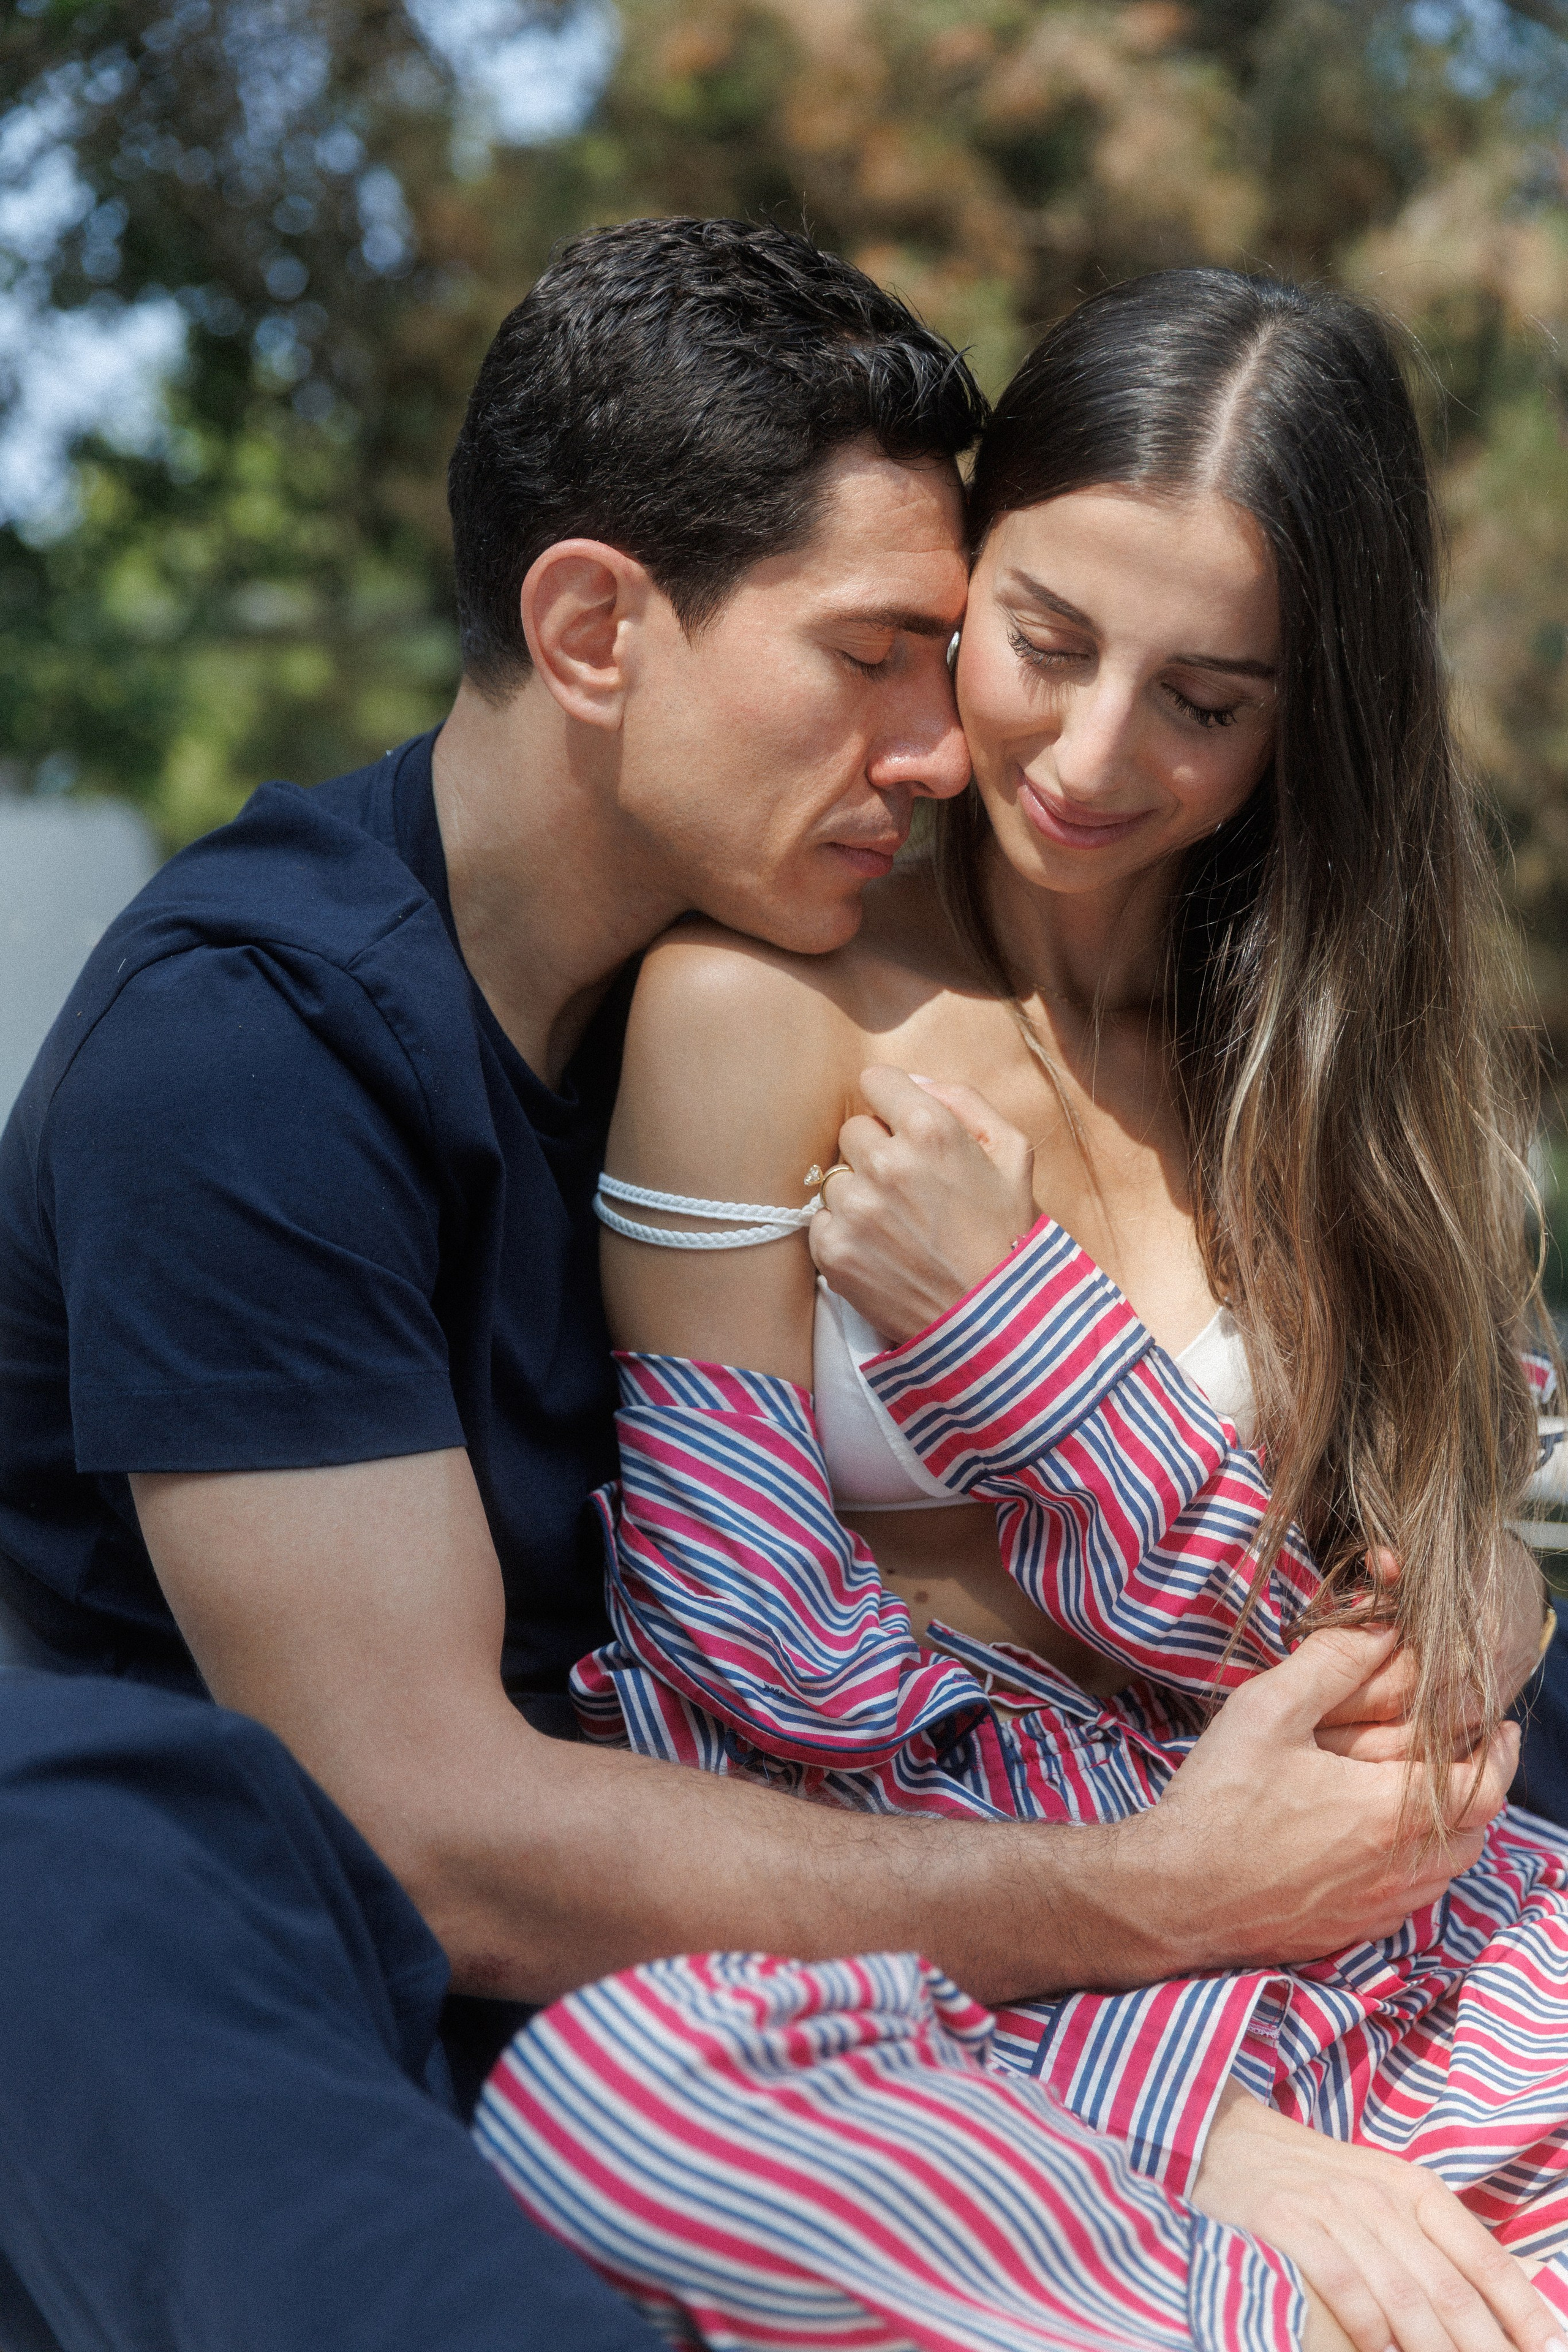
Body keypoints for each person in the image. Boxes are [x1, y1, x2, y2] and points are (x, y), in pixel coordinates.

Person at [0, 219, 1529, 2352]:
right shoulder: (251, 1059)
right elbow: (441, 1821)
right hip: (332, 1948)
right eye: (879, 656)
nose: (959, 755)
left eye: (954, 653)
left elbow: (1433, 1535)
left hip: (911, 1878)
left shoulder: (747, 988)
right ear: (596, 626)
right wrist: (1155, 1910)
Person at [501, 268, 1568, 2350]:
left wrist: (1024, 1344)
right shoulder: (759, 1011)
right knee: (605, 2112)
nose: (1092, 756)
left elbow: (1415, 1650)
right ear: (965, 592)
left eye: (1208, 698)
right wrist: (1193, 2107)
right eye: (1047, 644)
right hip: (935, 1959)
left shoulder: (1348, 1073)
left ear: (1306, 715)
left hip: (1381, 1940)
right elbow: (738, 1638)